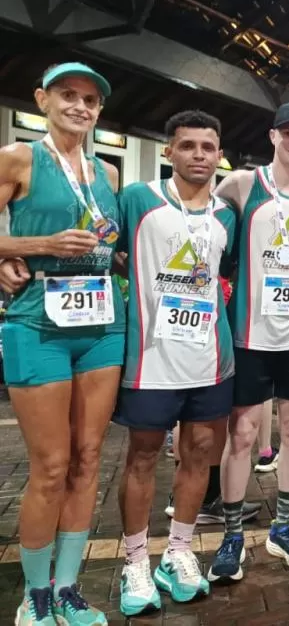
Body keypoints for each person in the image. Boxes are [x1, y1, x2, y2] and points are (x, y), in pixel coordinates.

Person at [0, 62, 125, 625]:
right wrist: (31, 245)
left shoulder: (107, 173)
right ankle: (35, 595)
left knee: (89, 457)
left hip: (102, 328)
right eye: (68, 95)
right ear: (42, 100)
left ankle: (69, 587)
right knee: (50, 465)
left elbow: (110, 245)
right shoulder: (18, 158)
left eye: (90, 100)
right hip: (36, 326)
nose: (80, 106)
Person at [112, 110, 236, 614]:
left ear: (218, 153)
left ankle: (179, 552)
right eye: (188, 146)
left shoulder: (227, 213)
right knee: (141, 457)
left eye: (208, 147)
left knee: (200, 453)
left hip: (209, 359)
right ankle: (136, 560)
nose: (199, 156)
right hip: (150, 359)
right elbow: (109, 251)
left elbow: (225, 272)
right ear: (169, 151)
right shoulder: (138, 199)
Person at [208, 102, 289, 582]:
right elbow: (203, 225)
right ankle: (232, 534)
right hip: (251, 334)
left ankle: (283, 526)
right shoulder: (242, 184)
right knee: (242, 435)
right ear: (273, 136)